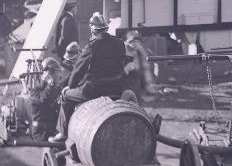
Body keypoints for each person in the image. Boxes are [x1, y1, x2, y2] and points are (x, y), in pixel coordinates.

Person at [49, 13, 126, 142]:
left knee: (65, 95)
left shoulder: (91, 46)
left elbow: (78, 71)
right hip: (117, 88)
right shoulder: (119, 43)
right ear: (106, 29)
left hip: (94, 90)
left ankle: (63, 133)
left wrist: (70, 86)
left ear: (92, 30)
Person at [124, 30, 156, 96]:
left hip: (137, 83)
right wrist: (126, 68)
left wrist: (148, 85)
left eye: (138, 42)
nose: (136, 44)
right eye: (134, 42)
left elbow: (146, 69)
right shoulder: (123, 50)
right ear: (128, 42)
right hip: (126, 84)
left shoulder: (140, 52)